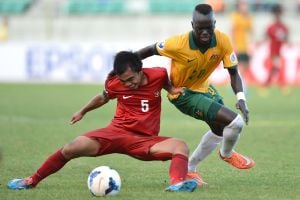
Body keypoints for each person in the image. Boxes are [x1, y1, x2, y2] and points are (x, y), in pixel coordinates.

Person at [7, 51, 197, 192]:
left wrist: (172, 90)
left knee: (180, 146)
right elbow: (103, 97)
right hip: (115, 133)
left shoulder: (159, 74)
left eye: (131, 79)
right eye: (124, 81)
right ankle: (31, 180)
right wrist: (83, 111)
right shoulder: (115, 83)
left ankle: (177, 184)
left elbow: (166, 85)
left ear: (140, 71)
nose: (128, 84)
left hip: (144, 140)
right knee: (71, 147)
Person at [135, 4, 255, 186]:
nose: (205, 32)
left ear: (214, 23)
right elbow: (149, 50)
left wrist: (241, 98)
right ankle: (227, 154)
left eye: (209, 28)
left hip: (205, 88)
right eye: (200, 28)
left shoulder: (223, 40)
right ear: (193, 25)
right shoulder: (178, 43)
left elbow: (233, 72)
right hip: (183, 94)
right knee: (235, 122)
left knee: (219, 129)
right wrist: (126, 66)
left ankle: (190, 169)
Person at [262, 3, 289, 95]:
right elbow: (265, 36)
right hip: (273, 51)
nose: (277, 15)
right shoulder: (271, 27)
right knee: (277, 68)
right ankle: (282, 86)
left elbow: (286, 38)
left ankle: (266, 86)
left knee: (274, 69)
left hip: (280, 51)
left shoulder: (283, 27)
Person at [230, 0, 253, 79]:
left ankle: (238, 82)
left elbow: (250, 31)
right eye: (243, 5)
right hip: (239, 45)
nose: (245, 7)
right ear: (239, 7)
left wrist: (252, 44)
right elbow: (232, 31)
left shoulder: (248, 17)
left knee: (246, 65)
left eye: (245, 5)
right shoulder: (235, 16)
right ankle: (240, 84)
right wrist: (234, 45)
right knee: (241, 65)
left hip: (246, 46)